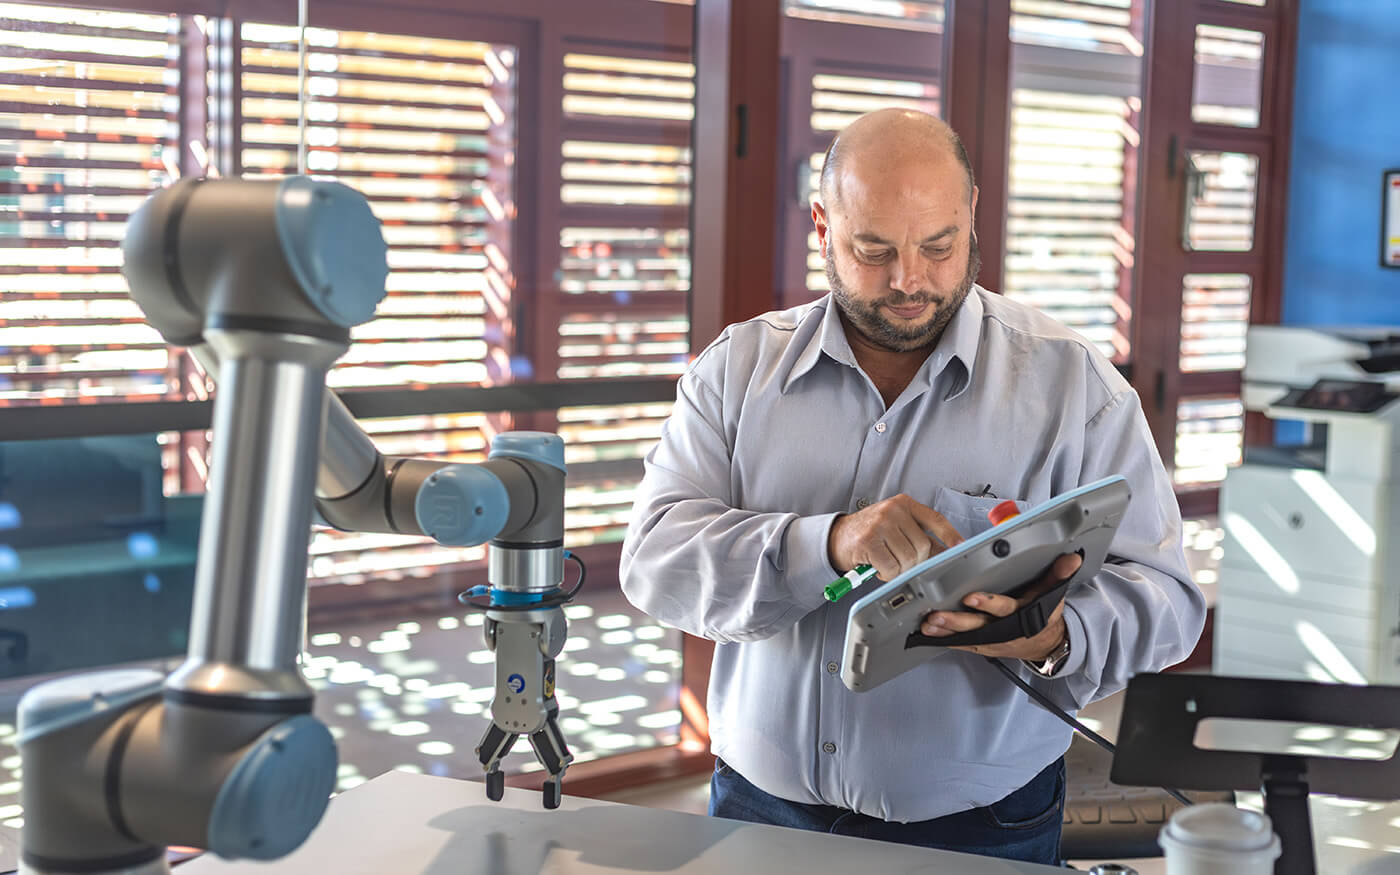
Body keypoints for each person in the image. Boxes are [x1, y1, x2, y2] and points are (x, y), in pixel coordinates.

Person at [618, 108, 1205, 866]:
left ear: (972, 215)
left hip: (985, 829)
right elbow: (653, 563)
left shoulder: (1074, 388)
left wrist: (1057, 637)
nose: (910, 281)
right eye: (874, 249)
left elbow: (1168, 601)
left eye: (939, 245)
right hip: (758, 812)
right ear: (823, 227)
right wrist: (825, 544)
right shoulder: (735, 371)